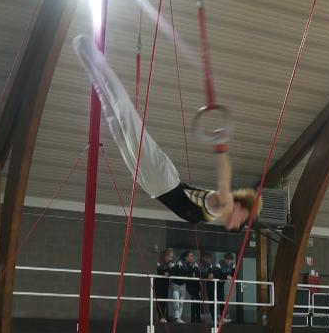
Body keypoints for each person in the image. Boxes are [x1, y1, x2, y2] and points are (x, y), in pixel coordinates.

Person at [73, 34, 261, 231]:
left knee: (113, 117)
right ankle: (88, 49)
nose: (238, 224)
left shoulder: (216, 214)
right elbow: (224, 179)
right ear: (238, 207)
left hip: (152, 183)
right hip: (163, 178)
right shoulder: (226, 205)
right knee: (124, 114)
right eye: (243, 219)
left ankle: (85, 54)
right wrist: (221, 148)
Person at [156, 249, 177, 323]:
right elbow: (160, 271)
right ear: (166, 256)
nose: (171, 258)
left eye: (172, 257)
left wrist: (168, 272)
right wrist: (167, 271)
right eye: (170, 257)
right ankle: (160, 317)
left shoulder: (171, 263)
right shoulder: (159, 262)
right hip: (159, 283)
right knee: (160, 301)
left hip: (166, 283)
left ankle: (163, 317)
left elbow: (173, 271)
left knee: (164, 301)